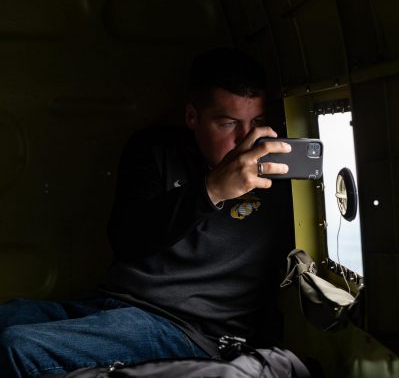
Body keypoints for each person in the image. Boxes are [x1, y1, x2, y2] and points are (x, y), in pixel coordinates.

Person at [0, 48, 295, 378]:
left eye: (256, 123)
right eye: (227, 124)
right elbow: (127, 239)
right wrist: (210, 189)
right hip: (114, 304)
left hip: (188, 329)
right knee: (7, 317)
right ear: (193, 117)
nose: (245, 139)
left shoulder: (281, 171)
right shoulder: (155, 150)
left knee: (17, 346)